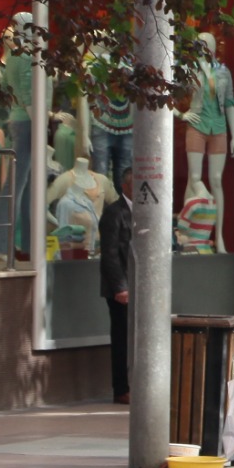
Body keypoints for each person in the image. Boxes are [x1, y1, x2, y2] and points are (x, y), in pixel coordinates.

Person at [98, 164, 134, 406]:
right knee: (122, 338)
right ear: (125, 186)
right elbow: (109, 253)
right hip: (121, 289)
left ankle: (137, 384)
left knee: (138, 339)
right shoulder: (114, 212)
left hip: (141, 287)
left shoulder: (148, 210)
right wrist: (120, 287)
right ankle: (121, 388)